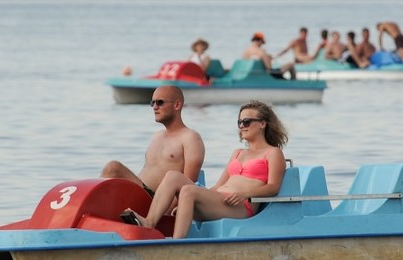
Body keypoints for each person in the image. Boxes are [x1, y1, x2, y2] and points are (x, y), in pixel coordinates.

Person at [120, 100, 288, 239]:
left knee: (188, 191)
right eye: (239, 122)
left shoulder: (273, 153)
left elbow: (273, 187)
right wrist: (194, 202)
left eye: (247, 122)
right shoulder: (237, 153)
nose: (242, 126)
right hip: (219, 200)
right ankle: (149, 222)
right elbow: (218, 186)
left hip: (241, 206)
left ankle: (176, 245)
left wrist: (246, 194)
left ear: (262, 124)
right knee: (173, 176)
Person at [100, 85, 205, 197]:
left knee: (113, 168)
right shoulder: (157, 136)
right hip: (141, 192)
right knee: (111, 173)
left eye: (159, 102)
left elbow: (188, 186)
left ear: (177, 105)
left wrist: (168, 211)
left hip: (159, 201)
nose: (154, 107)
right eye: (152, 103)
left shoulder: (190, 138)